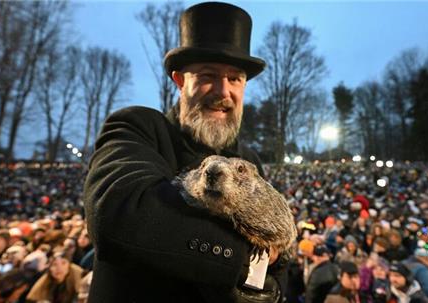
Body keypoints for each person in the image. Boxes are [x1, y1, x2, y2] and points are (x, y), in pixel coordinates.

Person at [83, 2, 285, 302]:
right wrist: (246, 264)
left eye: (234, 78)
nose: (223, 91)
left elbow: (277, 248)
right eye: (207, 75)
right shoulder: (137, 127)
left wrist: (273, 290)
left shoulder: (250, 162)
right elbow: (118, 214)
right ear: (180, 81)